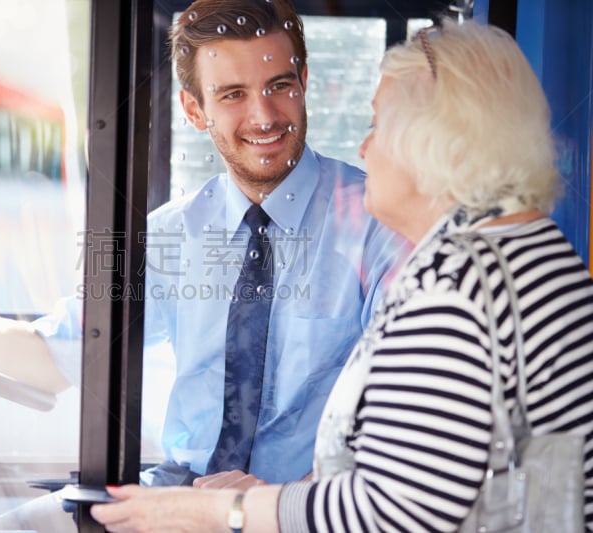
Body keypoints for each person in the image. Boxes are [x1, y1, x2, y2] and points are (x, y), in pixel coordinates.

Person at [0, 0, 406, 487]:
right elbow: (66, 348)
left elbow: (400, 413)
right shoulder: (170, 234)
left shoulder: (380, 220)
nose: (263, 115)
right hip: (179, 497)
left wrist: (278, 505)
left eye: (279, 85)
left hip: (308, 506)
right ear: (194, 110)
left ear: (304, 80)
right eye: (233, 94)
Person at [89, 16, 593, 532]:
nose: (363, 149)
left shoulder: (458, 288)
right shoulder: (519, 256)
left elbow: (395, 510)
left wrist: (224, 515)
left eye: (377, 126)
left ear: (437, 142)